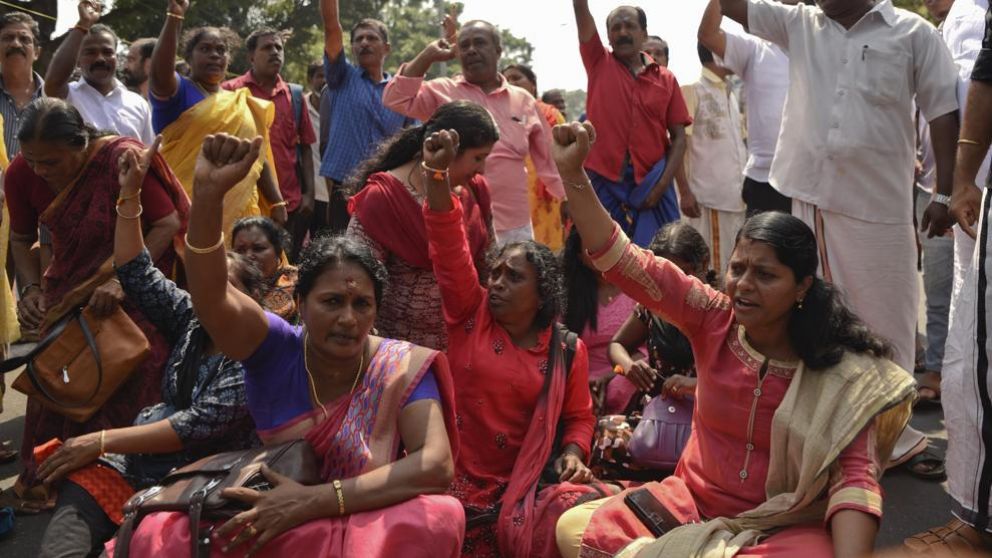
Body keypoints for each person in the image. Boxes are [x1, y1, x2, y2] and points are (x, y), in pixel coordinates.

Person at [550, 121, 916, 558]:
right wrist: (573, 174)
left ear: (802, 286)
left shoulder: (842, 370)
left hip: (778, 527)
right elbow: (623, 259)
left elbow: (855, 480)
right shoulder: (713, 317)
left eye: (765, 275)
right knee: (574, 528)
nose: (743, 285)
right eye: (737, 268)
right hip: (688, 504)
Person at [117, 133, 464, 557]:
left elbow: (436, 465)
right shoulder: (276, 348)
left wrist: (315, 501)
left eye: (362, 304)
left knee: (441, 515)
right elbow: (211, 299)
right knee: (160, 535)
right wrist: (207, 196)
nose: (348, 319)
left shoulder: (400, 364)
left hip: (359, 517)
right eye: (332, 302)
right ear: (300, 303)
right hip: (271, 515)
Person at [717, 0, 960, 480]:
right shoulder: (797, 22)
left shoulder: (913, 33)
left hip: (882, 203)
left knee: (889, 320)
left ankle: (894, 437)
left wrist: (946, 191)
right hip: (813, 201)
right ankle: (829, 434)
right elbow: (732, 6)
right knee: (815, 320)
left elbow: (943, 111)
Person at [34, 138, 259, 558]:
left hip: (201, 486)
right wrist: (130, 194)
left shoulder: (253, 356)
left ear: (253, 301)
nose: (209, 296)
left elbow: (192, 426)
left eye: (224, 289)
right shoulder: (192, 318)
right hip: (135, 467)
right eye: (200, 285)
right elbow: (136, 271)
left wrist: (100, 440)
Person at [422, 127, 597, 557]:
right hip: (451, 483)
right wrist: (438, 175)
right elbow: (449, 246)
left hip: (524, 487)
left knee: (582, 518)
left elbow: (579, 417)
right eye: (495, 273)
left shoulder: (565, 350)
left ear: (542, 295)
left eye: (513, 277)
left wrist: (574, 453)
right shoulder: (471, 312)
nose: (496, 283)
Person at [5, 98, 187, 507]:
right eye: (33, 161)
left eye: (52, 161)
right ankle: (56, 478)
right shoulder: (21, 173)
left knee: (136, 373)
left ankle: (129, 483)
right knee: (58, 383)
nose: (41, 171)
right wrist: (32, 289)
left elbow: (167, 223)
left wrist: (125, 282)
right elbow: (20, 237)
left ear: (82, 143)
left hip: (132, 291)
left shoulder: (120, 159)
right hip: (67, 293)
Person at [904, 0, 992, 552]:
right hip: (970, 201)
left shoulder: (963, 19)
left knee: (975, 357)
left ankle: (975, 526)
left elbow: (979, 82)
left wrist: (959, 182)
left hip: (974, 203)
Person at [383, 19, 565, 245]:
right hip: (457, 221)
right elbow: (394, 98)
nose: (471, 50)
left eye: (479, 43)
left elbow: (550, 164)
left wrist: (571, 205)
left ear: (498, 51)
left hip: (515, 227)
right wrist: (427, 56)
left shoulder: (523, 100)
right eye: (464, 45)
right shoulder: (442, 91)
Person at [346, 101, 496, 351]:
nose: (482, 169)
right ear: (449, 150)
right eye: (477, 158)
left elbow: (488, 261)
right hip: (400, 354)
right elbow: (355, 281)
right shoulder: (383, 198)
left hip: (463, 348)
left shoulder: (475, 190)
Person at [149, 0, 287, 237]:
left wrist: (276, 202)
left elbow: (258, 155)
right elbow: (159, 73)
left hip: (241, 214)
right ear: (188, 57)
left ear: (229, 59)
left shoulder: (242, 102)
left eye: (220, 50)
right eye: (205, 49)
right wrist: (174, 17)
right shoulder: (178, 92)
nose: (214, 55)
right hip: (186, 210)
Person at [571, 1, 691, 248]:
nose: (623, 32)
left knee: (663, 260)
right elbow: (581, 9)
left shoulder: (667, 79)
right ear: (607, 36)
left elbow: (679, 137)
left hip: (653, 184)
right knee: (604, 260)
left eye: (630, 26)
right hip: (604, 181)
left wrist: (661, 186)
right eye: (616, 28)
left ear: (643, 33)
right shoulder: (597, 61)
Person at [223, 29, 317, 262]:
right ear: (251, 57)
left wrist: (309, 194)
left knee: (286, 270)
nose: (275, 52)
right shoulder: (231, 91)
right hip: (245, 202)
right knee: (244, 269)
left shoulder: (294, 95)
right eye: (267, 48)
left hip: (288, 204)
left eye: (278, 48)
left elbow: (305, 147)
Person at [319, 0, 410, 233]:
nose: (364, 43)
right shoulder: (341, 76)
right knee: (343, 256)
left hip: (386, 189)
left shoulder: (401, 91)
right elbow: (332, 27)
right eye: (358, 39)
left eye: (371, 38)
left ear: (386, 48)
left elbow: (411, 142)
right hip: (344, 187)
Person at [697, 0, 792, 216]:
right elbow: (708, 35)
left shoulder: (819, 42)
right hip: (764, 180)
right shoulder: (755, 50)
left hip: (812, 181)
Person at [606, 222, 708, 417]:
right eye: (664, 277)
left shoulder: (720, 308)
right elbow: (616, 345)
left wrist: (694, 386)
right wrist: (629, 367)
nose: (674, 285)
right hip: (657, 414)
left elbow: (740, 378)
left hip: (706, 413)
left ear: (703, 264)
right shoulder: (653, 305)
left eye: (682, 273)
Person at [674, 43, 747, 275]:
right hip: (707, 198)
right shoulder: (693, 89)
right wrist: (684, 191)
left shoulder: (730, 92)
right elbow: (678, 144)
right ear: (717, 53)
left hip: (735, 197)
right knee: (712, 270)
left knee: (732, 262)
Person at [44, 1, 154, 145]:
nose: (100, 58)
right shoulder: (68, 96)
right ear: (77, 60)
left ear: (117, 57)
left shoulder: (138, 104)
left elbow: (149, 152)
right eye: (90, 52)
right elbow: (53, 82)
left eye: (107, 52)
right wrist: (83, 24)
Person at [561, 227, 636, 408]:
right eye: (591, 246)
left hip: (626, 375)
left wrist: (613, 375)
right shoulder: (568, 295)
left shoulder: (636, 288)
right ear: (579, 256)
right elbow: (560, 350)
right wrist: (581, 385)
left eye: (606, 243)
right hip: (579, 382)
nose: (601, 251)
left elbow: (646, 353)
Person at [503, 64, 567, 250]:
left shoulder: (551, 115)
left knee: (547, 252)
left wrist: (565, 197)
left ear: (533, 85)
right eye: (507, 80)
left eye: (517, 78)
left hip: (547, 195)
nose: (511, 83)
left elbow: (562, 159)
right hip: (510, 195)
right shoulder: (497, 115)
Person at [231, 217, 299, 323]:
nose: (248, 256)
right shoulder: (228, 285)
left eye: (258, 248)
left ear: (278, 250)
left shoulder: (295, 282)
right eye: (240, 250)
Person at [0, 11, 44, 157]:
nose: (15, 43)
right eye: (8, 38)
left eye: (24, 39)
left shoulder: (54, 98)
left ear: (37, 53)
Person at [305, 62, 330, 236]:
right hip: (307, 196)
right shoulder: (299, 107)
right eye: (320, 75)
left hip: (333, 195)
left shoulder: (343, 109)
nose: (325, 80)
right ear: (310, 79)